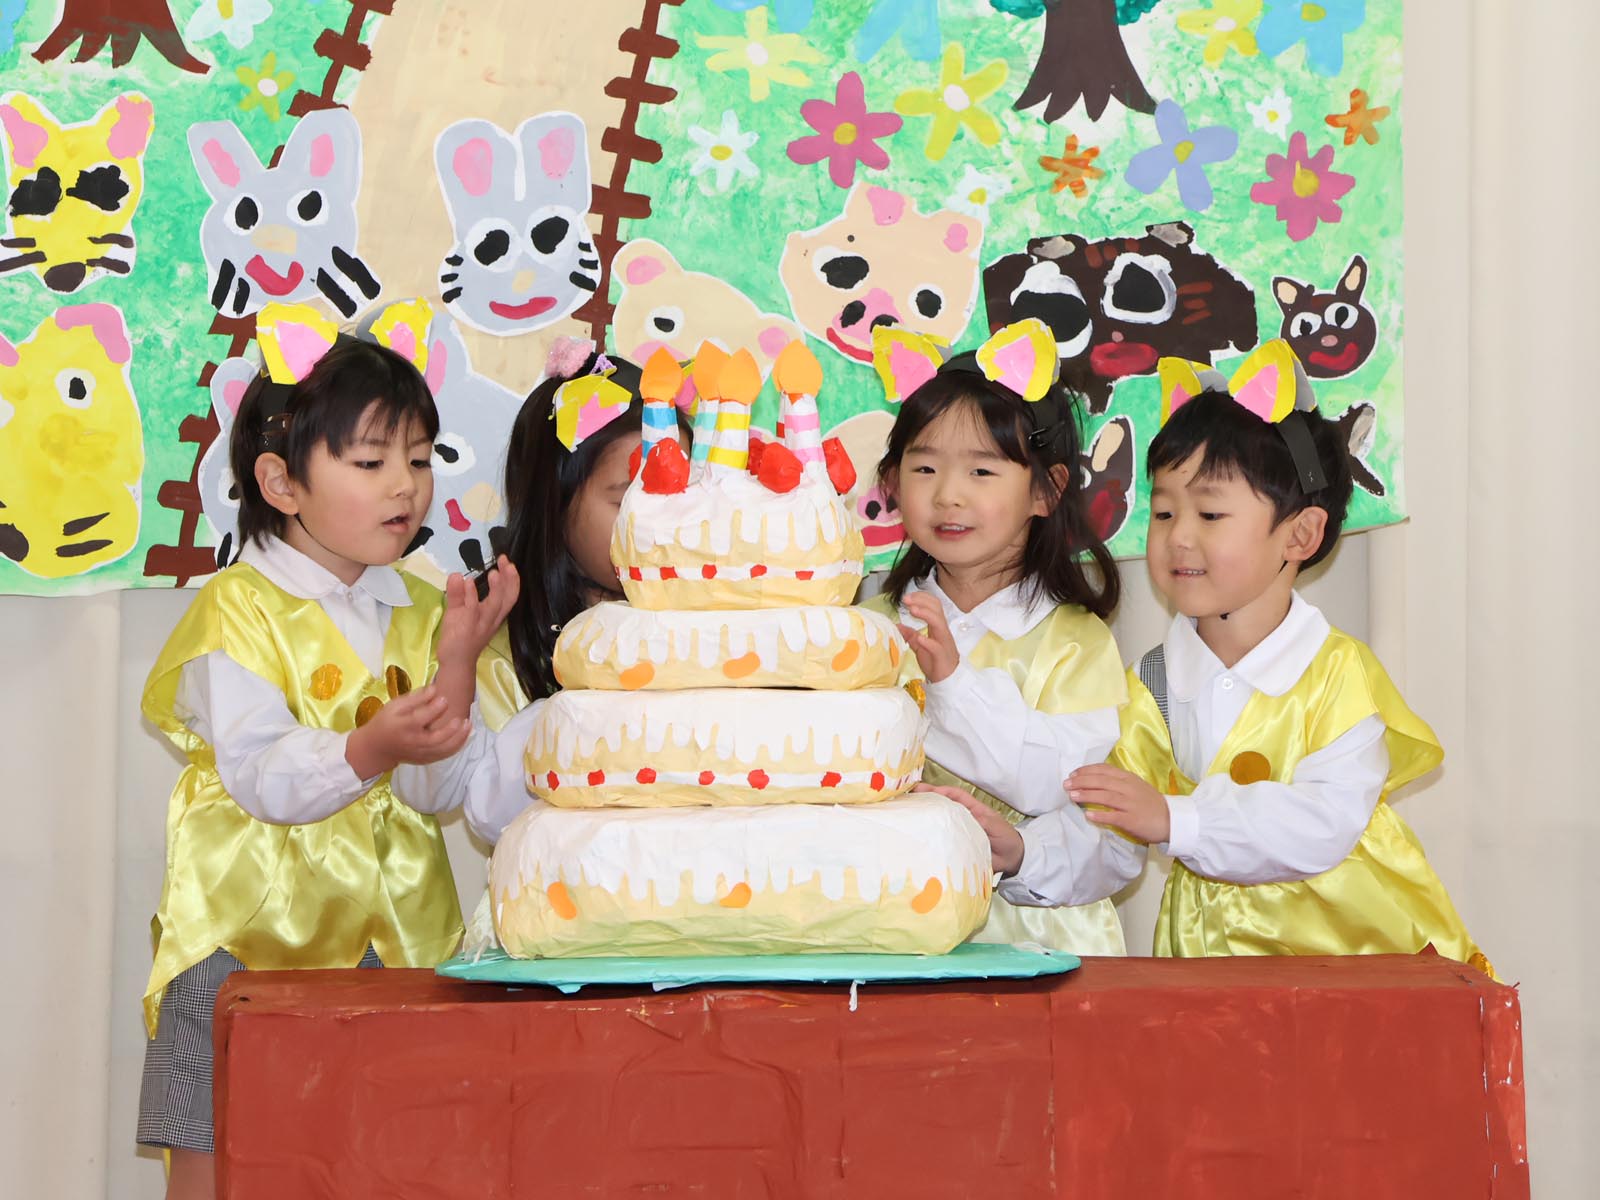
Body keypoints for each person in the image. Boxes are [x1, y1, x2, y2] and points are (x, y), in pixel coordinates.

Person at [136, 306, 517, 1199]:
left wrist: (458, 667)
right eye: (371, 462)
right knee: (220, 1150)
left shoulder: (425, 608)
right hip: (243, 935)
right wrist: (368, 746)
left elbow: (435, 793)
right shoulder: (235, 608)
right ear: (281, 482)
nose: (405, 487)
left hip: (398, 936)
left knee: (387, 1152)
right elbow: (263, 777)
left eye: (418, 459)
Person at [1068, 344, 1491, 973]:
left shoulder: (1336, 673)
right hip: (1214, 960)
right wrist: (1020, 853)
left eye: (1210, 512)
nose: (1178, 535)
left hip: (1353, 960)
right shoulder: (1151, 684)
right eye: (1163, 511)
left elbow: (1323, 823)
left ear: (1301, 534)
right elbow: (1108, 830)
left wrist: (1177, 819)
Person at [863, 320, 1140, 955]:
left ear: (1046, 490)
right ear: (892, 483)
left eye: (982, 471)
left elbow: (1095, 817)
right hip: (892, 940)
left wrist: (1020, 851)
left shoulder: (1075, 643)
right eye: (924, 466)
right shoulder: (869, 630)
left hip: (1041, 949)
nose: (948, 495)